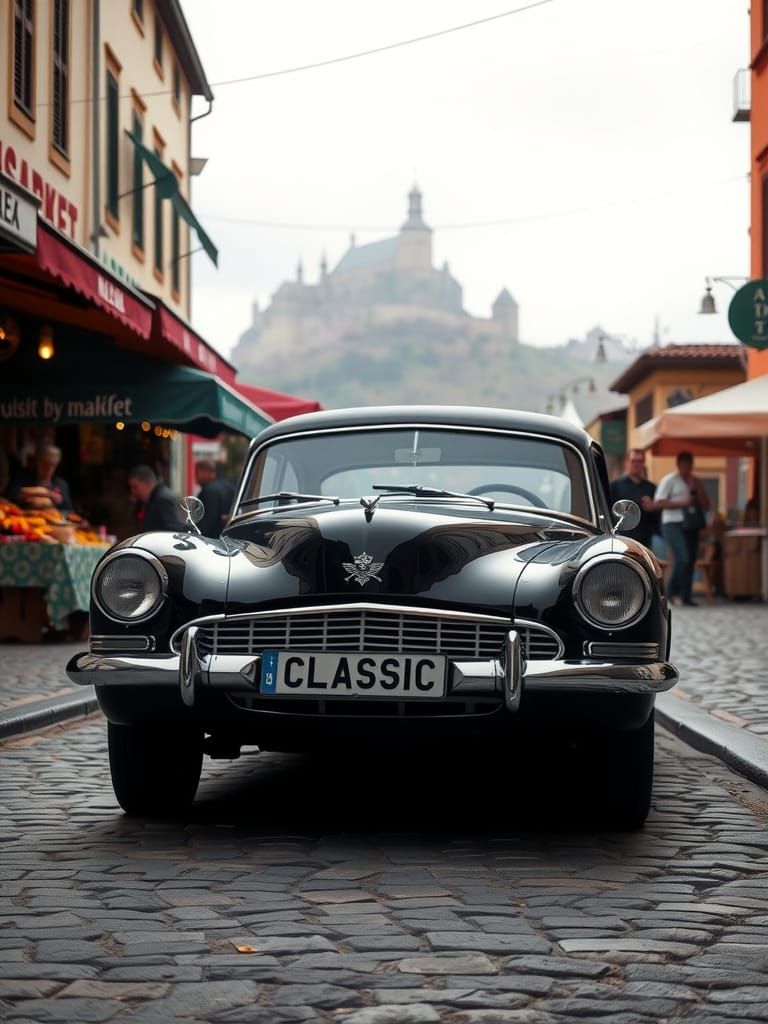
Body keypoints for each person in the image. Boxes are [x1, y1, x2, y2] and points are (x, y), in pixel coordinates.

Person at [648, 451, 711, 607]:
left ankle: (686, 596)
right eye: (684, 465)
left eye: (689, 465)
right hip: (672, 523)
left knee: (690, 559)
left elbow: (706, 505)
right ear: (678, 465)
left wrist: (698, 490)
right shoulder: (669, 480)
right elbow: (658, 503)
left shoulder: (695, 481)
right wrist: (682, 503)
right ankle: (670, 592)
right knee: (682, 557)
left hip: (692, 523)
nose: (686, 468)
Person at [609, 448, 658, 548]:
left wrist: (652, 508)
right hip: (621, 539)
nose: (636, 464)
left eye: (639, 461)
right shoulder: (615, 486)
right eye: (633, 461)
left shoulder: (651, 488)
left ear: (643, 463)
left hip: (645, 540)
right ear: (627, 463)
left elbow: (657, 517)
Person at [4, 444, 72, 512]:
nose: (48, 468)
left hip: (52, 517)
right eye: (45, 463)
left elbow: (68, 510)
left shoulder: (62, 485)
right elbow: (7, 498)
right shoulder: (22, 478)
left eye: (52, 464)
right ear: (37, 461)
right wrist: (22, 496)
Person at [127, 465, 185, 532]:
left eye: (135, 487)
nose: (133, 491)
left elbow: (173, 529)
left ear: (148, 483)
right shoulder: (147, 501)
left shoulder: (163, 500)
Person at [194, 459, 235, 538]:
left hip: (213, 540)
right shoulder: (229, 486)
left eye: (197, 472)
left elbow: (205, 526)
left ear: (205, 471)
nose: (196, 477)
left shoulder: (208, 491)